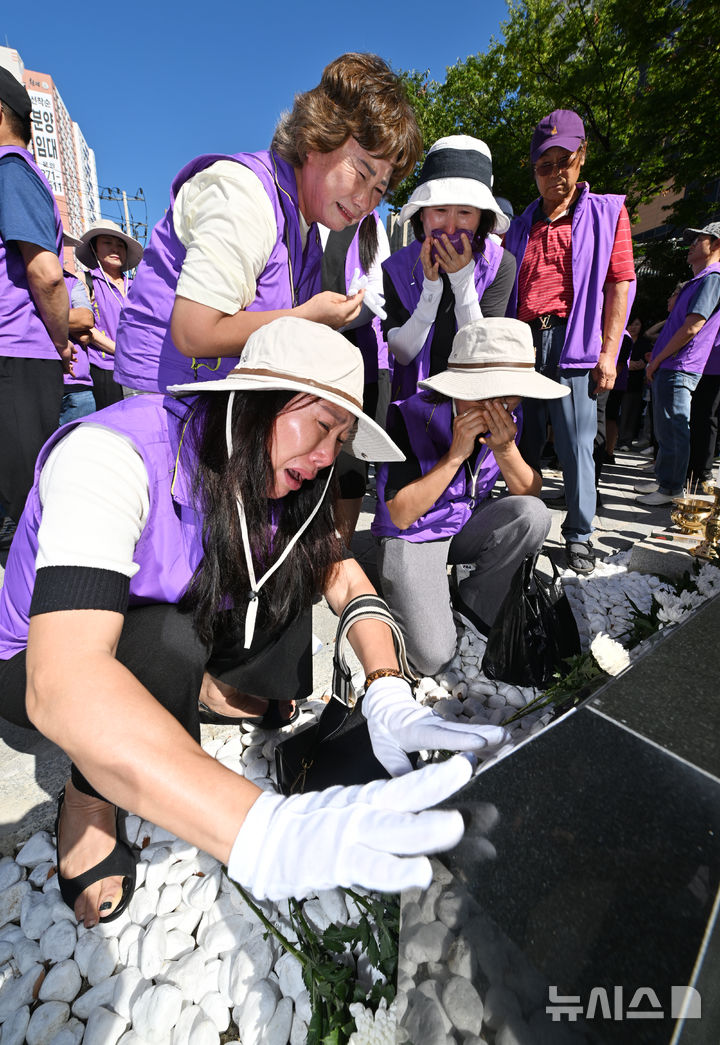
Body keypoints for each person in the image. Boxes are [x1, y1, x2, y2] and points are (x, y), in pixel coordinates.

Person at [0, 317, 508, 929]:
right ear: (252, 400)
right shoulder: (109, 456)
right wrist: (264, 831)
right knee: (166, 644)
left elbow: (343, 576)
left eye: (339, 441)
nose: (324, 459)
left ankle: (207, 687)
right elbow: (63, 679)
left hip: (179, 607)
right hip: (38, 657)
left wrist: (386, 686)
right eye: (320, 425)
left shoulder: (272, 471)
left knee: (295, 566)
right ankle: (89, 794)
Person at [113, 53, 421, 395]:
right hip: (166, 402)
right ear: (317, 140)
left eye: (379, 188)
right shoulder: (244, 194)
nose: (365, 201)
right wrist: (308, 317)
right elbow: (194, 331)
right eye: (361, 173)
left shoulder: (306, 227)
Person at [372, 317, 567, 676]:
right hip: (414, 533)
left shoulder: (513, 416)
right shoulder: (408, 416)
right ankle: (400, 591)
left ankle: (475, 599)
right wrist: (455, 455)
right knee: (433, 657)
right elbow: (397, 515)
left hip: (465, 523)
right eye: (487, 391)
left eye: (510, 393)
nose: (499, 404)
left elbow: (531, 494)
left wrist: (507, 450)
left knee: (533, 514)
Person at [505, 109, 635, 575]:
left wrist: (609, 353)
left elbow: (620, 282)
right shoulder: (519, 225)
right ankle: (523, 527)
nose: (555, 173)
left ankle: (579, 533)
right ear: (534, 170)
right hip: (523, 343)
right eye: (544, 164)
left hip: (573, 339)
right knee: (522, 440)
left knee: (577, 442)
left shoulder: (607, 211)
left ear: (581, 159)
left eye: (564, 160)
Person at [382, 135, 516, 403]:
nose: (451, 227)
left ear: (482, 218)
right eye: (440, 210)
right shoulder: (396, 269)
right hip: (413, 406)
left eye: (465, 212)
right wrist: (430, 291)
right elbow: (403, 354)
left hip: (474, 408)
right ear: (422, 213)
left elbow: (482, 351)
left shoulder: (501, 265)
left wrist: (462, 281)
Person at [0, 67, 74, 535]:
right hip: (19, 355)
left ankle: (38, 606)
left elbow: (46, 275)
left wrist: (61, 339)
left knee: (23, 513)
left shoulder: (10, 168)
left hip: (18, 354)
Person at [636, 222, 720, 504]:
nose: (692, 244)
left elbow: (692, 327)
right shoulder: (701, 279)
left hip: (680, 364)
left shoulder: (713, 277)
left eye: (700, 239)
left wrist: (658, 359)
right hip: (672, 364)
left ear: (716, 244)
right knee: (665, 428)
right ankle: (665, 483)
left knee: (674, 428)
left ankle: (672, 489)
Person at [321, 210, 391, 542]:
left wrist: (336, 319)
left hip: (361, 357)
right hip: (309, 357)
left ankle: (341, 549)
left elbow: (378, 293)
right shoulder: (297, 215)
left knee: (352, 459)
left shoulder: (368, 223)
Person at [75, 219, 144, 410]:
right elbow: (86, 328)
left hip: (140, 367)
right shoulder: (85, 281)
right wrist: (119, 350)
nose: (115, 249)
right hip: (105, 369)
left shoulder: (137, 284)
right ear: (94, 248)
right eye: (107, 243)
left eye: (120, 245)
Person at [59, 266, 96, 425]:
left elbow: (85, 319)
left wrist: (38, 317)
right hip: (35, 380)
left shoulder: (72, 281)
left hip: (78, 384)